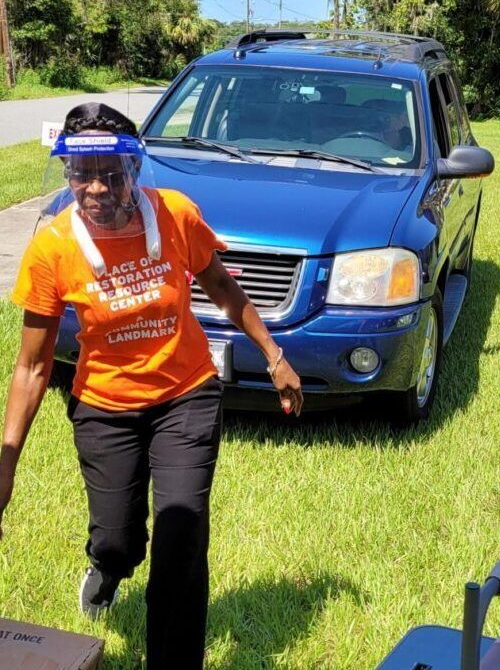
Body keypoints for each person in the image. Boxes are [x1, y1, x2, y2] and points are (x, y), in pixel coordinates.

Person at [0, 103, 303, 669]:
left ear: (134, 171)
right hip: (104, 406)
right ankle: (107, 565)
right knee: (119, 540)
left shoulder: (175, 215)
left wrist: (274, 354)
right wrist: (8, 459)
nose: (95, 188)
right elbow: (31, 367)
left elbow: (222, 286)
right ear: (66, 174)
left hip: (185, 396)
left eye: (111, 174)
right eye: (80, 174)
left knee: (181, 538)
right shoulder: (53, 248)